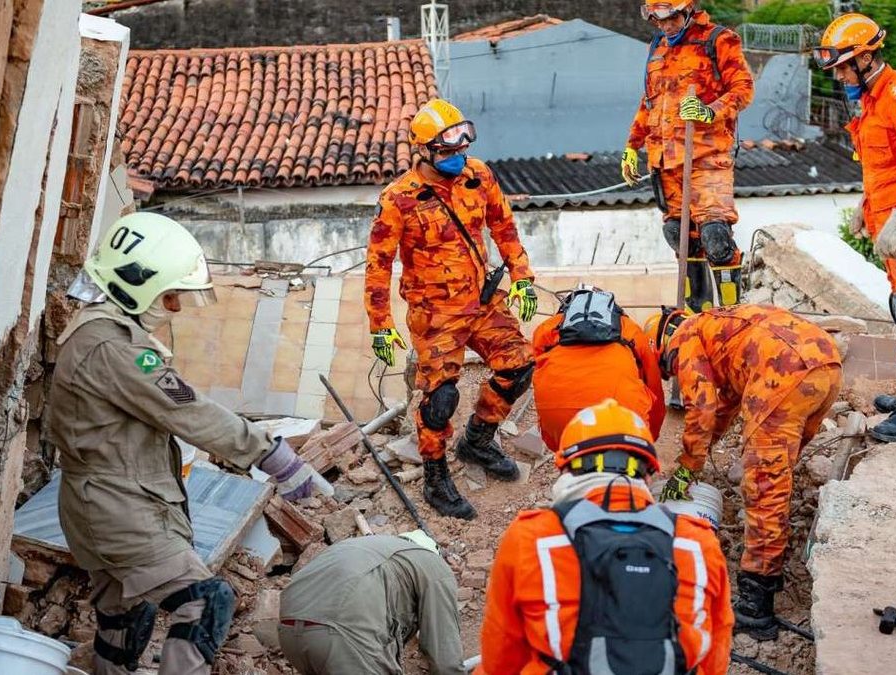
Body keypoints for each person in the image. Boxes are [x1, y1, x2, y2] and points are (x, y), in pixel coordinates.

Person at [46, 212, 319, 675]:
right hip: (119, 508)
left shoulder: (99, 332)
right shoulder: (115, 347)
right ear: (136, 284)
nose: (173, 308)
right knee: (206, 602)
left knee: (125, 615)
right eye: (170, 294)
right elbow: (186, 408)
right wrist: (273, 456)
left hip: (100, 504)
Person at [365, 98, 538, 521]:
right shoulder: (399, 199)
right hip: (435, 314)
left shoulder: (477, 176)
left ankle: (478, 439)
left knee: (518, 366)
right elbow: (378, 266)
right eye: (447, 152)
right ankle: (436, 476)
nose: (458, 158)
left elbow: (504, 226)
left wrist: (523, 276)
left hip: (482, 300)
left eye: (462, 148)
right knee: (440, 397)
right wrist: (381, 326)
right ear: (423, 151)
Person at [477, 399, 733, 674]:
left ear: (566, 469)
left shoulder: (532, 538)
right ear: (648, 476)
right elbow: (715, 659)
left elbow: (500, 660)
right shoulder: (698, 543)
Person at [646, 305, 841, 640]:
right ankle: (774, 562)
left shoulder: (687, 338)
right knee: (777, 475)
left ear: (663, 346)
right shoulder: (716, 328)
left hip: (784, 371)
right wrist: (701, 454)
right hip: (825, 364)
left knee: (765, 488)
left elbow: (702, 409)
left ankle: (756, 603)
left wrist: (686, 469)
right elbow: (723, 407)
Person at [814, 13, 896, 443]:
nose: (838, 76)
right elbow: (884, 166)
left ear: (866, 58)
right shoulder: (872, 99)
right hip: (889, 218)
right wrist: (866, 205)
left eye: (842, 66)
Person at [622, 0, 755, 312]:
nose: (665, 26)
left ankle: (730, 312)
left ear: (688, 11)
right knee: (679, 235)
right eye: (658, 20)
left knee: (716, 236)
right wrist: (632, 146)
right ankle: (698, 311)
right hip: (665, 161)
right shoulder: (657, 49)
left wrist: (710, 111)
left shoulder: (718, 40)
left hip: (706, 157)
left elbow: (743, 89)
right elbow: (649, 102)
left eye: (670, 19)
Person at [278, 531, 465, 675]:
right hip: (342, 636)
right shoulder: (433, 564)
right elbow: (444, 652)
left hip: (289, 632)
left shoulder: (366, 548)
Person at [531, 286, 666, 451]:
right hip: (622, 424)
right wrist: (649, 438)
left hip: (560, 429)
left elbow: (538, 369)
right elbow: (654, 385)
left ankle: (567, 456)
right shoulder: (630, 329)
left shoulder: (547, 328)